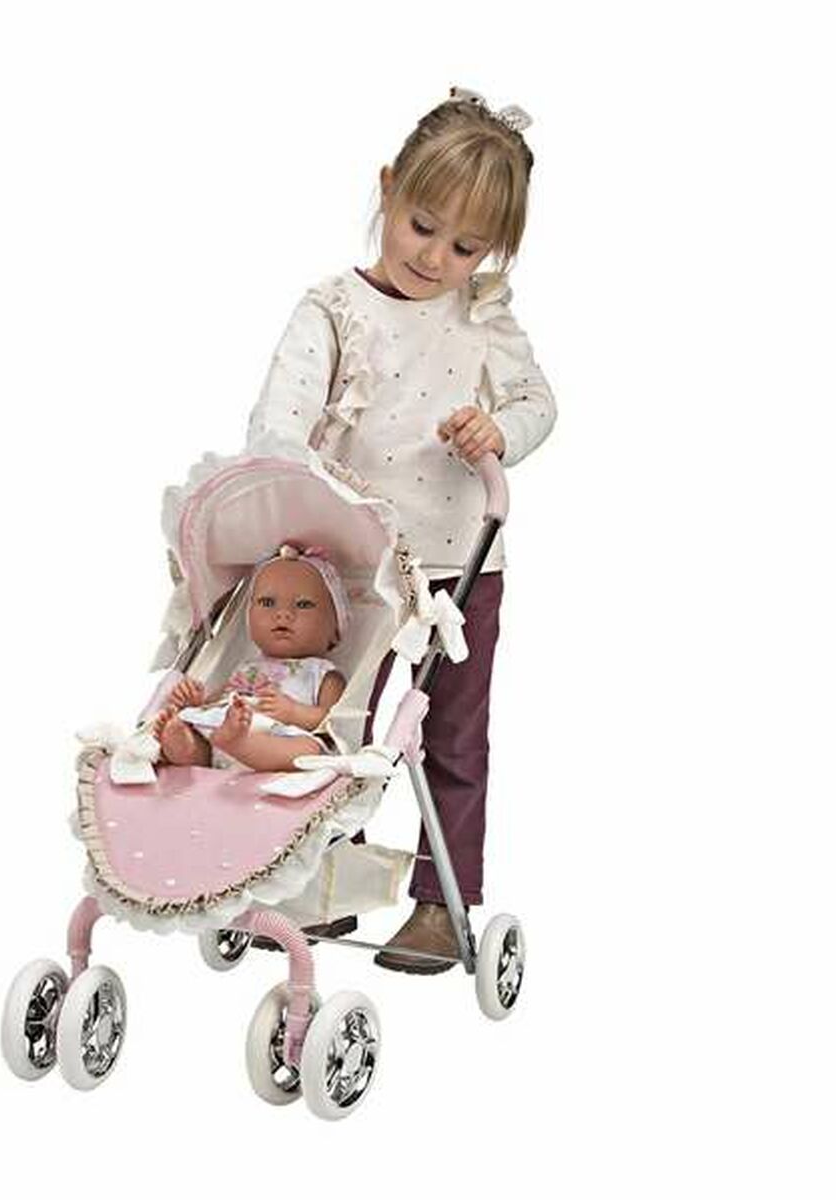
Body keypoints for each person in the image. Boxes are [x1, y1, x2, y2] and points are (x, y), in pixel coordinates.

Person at [244, 86, 556, 972]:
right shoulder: (334, 310)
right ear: (388, 189)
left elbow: (538, 402)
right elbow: (278, 421)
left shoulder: (482, 320)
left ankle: (440, 902)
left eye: (465, 247)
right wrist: (287, 472)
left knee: (448, 740)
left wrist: (500, 432)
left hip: (459, 571)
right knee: (330, 726)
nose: (435, 257)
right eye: (422, 226)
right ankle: (318, 879)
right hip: (350, 570)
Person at [153, 544, 348, 772]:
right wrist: (198, 703)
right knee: (197, 734)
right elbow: (221, 700)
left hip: (278, 739)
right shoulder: (247, 667)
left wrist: (294, 712)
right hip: (223, 734)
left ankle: (239, 744)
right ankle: (183, 744)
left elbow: (333, 721)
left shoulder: (324, 673)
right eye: (267, 603)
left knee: (310, 750)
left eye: (303, 604)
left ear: (335, 632)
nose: (283, 614)